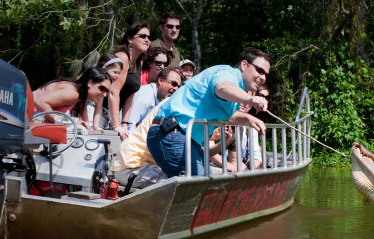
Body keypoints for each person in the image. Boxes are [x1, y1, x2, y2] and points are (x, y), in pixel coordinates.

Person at [147, 47, 271, 178]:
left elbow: (229, 117)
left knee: (207, 182)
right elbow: (222, 87)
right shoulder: (227, 73)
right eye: (260, 71)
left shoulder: (236, 92)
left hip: (187, 139)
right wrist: (251, 99)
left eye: (266, 75)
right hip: (171, 132)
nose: (263, 78)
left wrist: (249, 119)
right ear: (244, 65)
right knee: (199, 184)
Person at [113, 96, 232, 188]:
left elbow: (205, 152)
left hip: (152, 166)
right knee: (182, 186)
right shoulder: (175, 107)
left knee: (205, 179)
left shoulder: (193, 114)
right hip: (132, 166)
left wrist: (224, 143)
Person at [94, 20, 151, 140]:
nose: (147, 40)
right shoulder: (122, 57)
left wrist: (125, 124)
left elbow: (131, 95)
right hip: (97, 112)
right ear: (130, 39)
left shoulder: (139, 63)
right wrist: (117, 125)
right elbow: (113, 92)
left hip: (112, 116)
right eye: (142, 36)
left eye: (149, 37)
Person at [33, 66, 111, 128]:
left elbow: (85, 121)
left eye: (107, 91)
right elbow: (40, 102)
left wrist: (74, 122)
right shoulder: (72, 93)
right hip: (26, 119)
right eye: (102, 88)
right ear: (90, 83)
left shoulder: (80, 98)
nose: (104, 94)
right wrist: (61, 121)